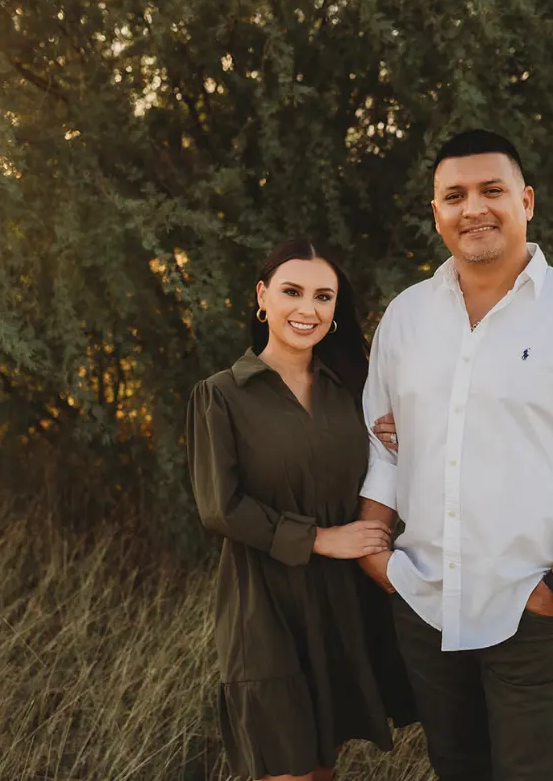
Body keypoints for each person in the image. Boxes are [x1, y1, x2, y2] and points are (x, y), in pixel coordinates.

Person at [358, 129, 553, 781]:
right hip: (426, 603)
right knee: (455, 769)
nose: (474, 209)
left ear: (525, 200)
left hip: (535, 609)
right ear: (436, 211)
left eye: (492, 191)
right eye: (454, 195)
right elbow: (382, 448)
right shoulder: (406, 319)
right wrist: (380, 558)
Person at [185, 238, 414, 781]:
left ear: (336, 311)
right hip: (264, 606)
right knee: (283, 767)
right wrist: (321, 538)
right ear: (262, 297)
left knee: (319, 768)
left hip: (341, 601)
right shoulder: (220, 395)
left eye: (323, 296)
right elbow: (219, 507)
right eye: (292, 291)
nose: (307, 309)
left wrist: (408, 439)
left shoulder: (353, 392)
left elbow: (383, 473)